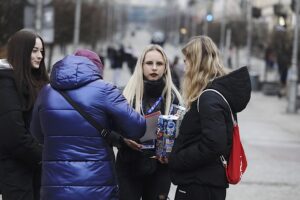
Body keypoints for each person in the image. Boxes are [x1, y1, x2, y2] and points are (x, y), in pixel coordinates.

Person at [30, 49, 146, 200]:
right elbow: (137, 128)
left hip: (55, 187)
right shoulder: (105, 89)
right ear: (96, 68)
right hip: (97, 187)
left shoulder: (46, 92)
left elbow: (37, 134)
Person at [168, 36, 251, 200]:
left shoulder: (209, 98)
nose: (185, 68)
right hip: (205, 182)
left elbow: (214, 144)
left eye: (186, 61)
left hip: (199, 185)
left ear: (197, 63)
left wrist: (177, 158)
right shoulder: (216, 94)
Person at [115, 44, 182, 200]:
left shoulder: (174, 97)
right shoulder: (125, 94)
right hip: (128, 165)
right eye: (149, 63)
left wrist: (171, 152)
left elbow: (182, 135)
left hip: (160, 168)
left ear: (165, 67)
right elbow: (111, 130)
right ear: (141, 65)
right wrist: (123, 140)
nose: (154, 68)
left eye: (159, 64)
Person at [0, 29, 49, 200]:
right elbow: (14, 135)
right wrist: (45, 156)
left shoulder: (35, 81)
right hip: (16, 172)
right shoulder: (5, 82)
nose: (40, 56)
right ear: (21, 51)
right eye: (34, 50)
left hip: (34, 168)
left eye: (41, 51)